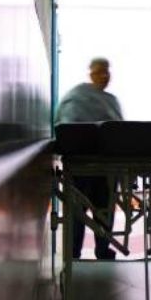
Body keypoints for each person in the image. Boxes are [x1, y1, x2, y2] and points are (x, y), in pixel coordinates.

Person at [56, 57, 122, 260]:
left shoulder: (111, 101)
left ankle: (103, 249)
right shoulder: (76, 97)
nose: (105, 75)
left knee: (105, 211)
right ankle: (73, 252)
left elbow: (120, 131)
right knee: (77, 212)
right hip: (80, 165)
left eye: (107, 71)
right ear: (91, 74)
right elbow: (67, 128)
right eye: (100, 71)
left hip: (107, 167)